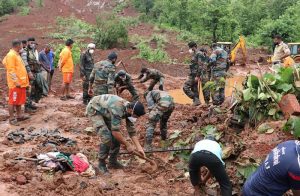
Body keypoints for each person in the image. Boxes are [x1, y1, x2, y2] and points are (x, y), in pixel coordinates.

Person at [85, 94, 146, 174]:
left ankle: (112, 162)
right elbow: (115, 131)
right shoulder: (118, 109)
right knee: (106, 138)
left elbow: (131, 131)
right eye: (135, 116)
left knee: (116, 139)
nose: (135, 118)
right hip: (95, 109)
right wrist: (127, 144)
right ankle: (101, 164)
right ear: (131, 110)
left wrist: (139, 148)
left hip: (106, 111)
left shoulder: (129, 110)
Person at [3, 40, 30, 125]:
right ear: (18, 45)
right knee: (12, 101)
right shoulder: (11, 55)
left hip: (21, 83)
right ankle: (11, 119)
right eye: (21, 45)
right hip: (15, 84)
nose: (22, 46)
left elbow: (4, 62)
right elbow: (11, 70)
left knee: (19, 100)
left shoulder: (16, 54)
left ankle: (19, 116)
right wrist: (16, 81)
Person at [183, 42, 209, 106]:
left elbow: (200, 65)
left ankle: (206, 103)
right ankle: (196, 101)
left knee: (204, 88)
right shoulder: (194, 54)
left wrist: (198, 76)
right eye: (190, 48)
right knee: (193, 87)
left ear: (194, 47)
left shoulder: (199, 54)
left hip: (199, 74)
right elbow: (194, 64)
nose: (190, 49)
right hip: (193, 74)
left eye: (191, 47)